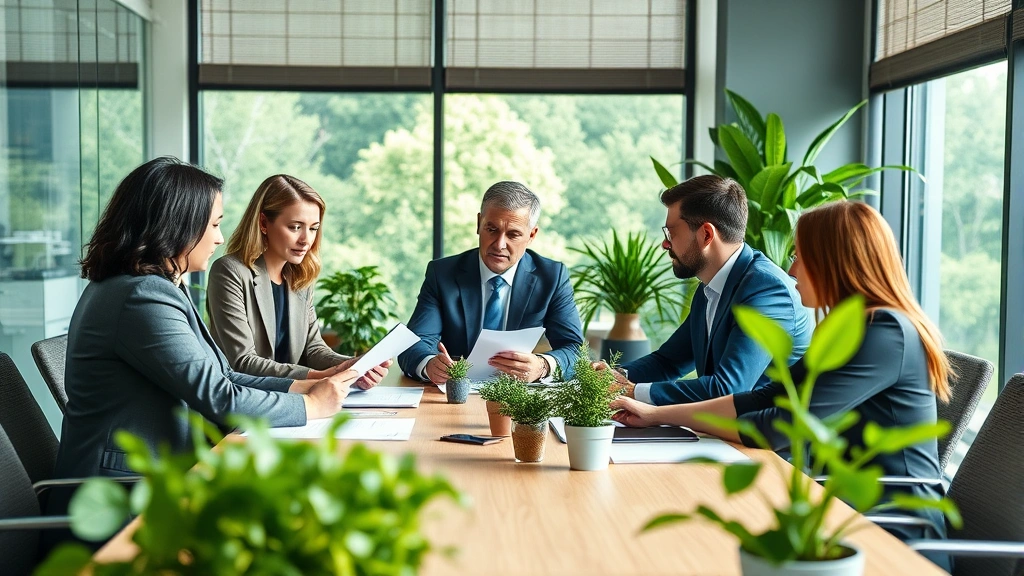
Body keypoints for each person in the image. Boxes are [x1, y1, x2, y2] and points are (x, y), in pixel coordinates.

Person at [610, 201, 951, 553]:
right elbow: (766, 397)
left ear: (834, 263)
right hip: (840, 512)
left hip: (895, 532)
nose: (791, 269)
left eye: (801, 257)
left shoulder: (883, 332)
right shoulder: (845, 328)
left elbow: (781, 426)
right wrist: (654, 414)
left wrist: (658, 410)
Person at [51, 158, 356, 493]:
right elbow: (220, 397)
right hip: (122, 493)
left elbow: (223, 376)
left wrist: (306, 386)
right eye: (213, 225)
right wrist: (312, 406)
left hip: (161, 472)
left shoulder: (155, 287)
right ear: (178, 225)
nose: (220, 238)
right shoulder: (142, 296)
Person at [601, 175, 811, 405]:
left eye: (671, 233)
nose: (665, 244)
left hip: (766, 428)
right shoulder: (709, 288)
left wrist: (631, 392)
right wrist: (612, 377)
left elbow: (728, 389)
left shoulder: (767, 289)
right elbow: (668, 362)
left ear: (707, 234)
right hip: (721, 425)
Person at [205, 174, 389, 385]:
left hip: (297, 397)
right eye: (295, 227)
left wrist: (354, 366)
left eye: (313, 228)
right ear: (263, 223)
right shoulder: (230, 272)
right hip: (249, 398)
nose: (306, 240)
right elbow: (242, 361)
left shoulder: (300, 277)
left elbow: (314, 349)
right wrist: (322, 377)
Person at [398, 181, 584, 384]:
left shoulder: (552, 277)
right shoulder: (442, 274)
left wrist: (543, 366)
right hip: (454, 393)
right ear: (479, 223)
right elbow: (413, 343)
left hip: (517, 395)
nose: (499, 244)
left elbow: (575, 349)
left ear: (531, 235)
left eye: (513, 234)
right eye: (492, 229)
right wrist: (429, 364)